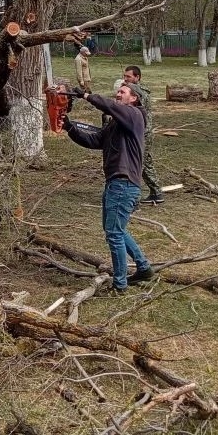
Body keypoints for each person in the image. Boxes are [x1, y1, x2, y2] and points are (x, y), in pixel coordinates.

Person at [63, 83, 155, 294]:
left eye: (123, 91)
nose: (118, 94)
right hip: (116, 183)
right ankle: (143, 268)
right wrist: (69, 127)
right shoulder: (117, 123)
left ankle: (120, 284)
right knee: (114, 230)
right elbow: (94, 140)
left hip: (124, 183)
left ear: (134, 98)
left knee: (114, 233)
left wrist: (86, 95)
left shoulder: (134, 114)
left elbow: (110, 106)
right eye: (118, 91)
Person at [122, 65, 165, 205]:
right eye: (124, 76)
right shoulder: (133, 89)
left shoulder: (139, 93)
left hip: (142, 134)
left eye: (128, 76)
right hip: (140, 132)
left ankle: (133, 197)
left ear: (137, 77)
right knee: (146, 163)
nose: (125, 79)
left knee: (136, 164)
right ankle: (156, 193)